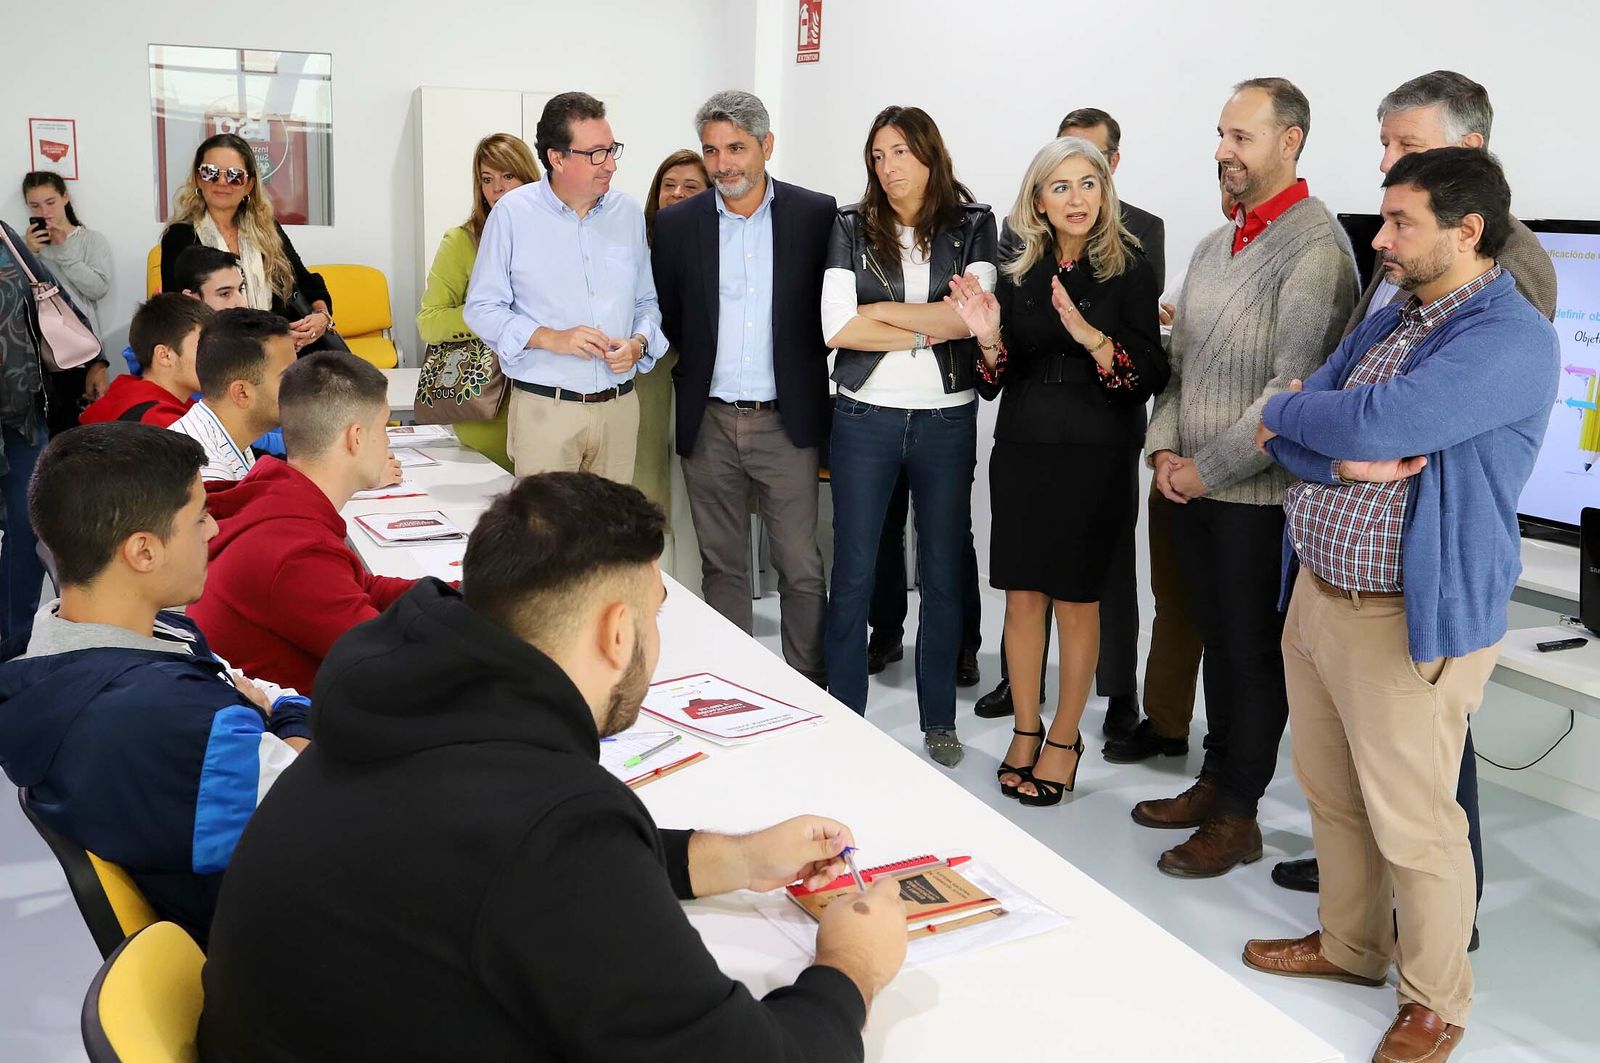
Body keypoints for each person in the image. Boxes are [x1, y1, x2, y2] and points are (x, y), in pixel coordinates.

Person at [196, 472, 908, 1061]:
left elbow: (531, 868)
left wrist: (737, 857)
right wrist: (850, 966)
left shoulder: (392, 717)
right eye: (656, 616)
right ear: (617, 631)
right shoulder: (550, 823)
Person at [1245, 147, 1557, 1063]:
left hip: (1405, 618)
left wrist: (1302, 416)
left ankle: (1436, 1001)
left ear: (1467, 232)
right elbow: (1305, 427)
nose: (1379, 240)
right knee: (1331, 797)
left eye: (1400, 223)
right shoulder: (1395, 307)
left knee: (1417, 827)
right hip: (1318, 596)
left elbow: (1375, 421)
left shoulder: (1510, 336)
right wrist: (1328, 446)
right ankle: (1349, 946)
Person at [1137, 78, 1356, 877]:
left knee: (1248, 657)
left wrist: (1207, 469)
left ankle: (1238, 817)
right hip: (1190, 489)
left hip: (1254, 502)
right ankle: (1214, 782)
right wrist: (1165, 452)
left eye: (1243, 137)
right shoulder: (1212, 245)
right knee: (1217, 649)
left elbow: (1290, 395)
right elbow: (1179, 366)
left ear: (1290, 141)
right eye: (1221, 135)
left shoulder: (1318, 251)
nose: (1224, 151)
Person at [0, 423, 309, 942]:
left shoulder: (79, 642)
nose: (212, 530)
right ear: (143, 551)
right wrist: (286, 717)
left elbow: (257, 692)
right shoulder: (171, 720)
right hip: (279, 943)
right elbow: (319, 802)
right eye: (199, 516)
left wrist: (269, 716)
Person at [949, 137, 1167, 806]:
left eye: (1089, 184)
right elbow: (994, 380)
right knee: (1021, 596)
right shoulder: (1019, 270)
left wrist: (1093, 337)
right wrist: (986, 335)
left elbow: (1146, 375)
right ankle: (1025, 726)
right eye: (1061, 186)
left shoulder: (1129, 268)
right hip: (1023, 444)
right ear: (1038, 200)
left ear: (1106, 192)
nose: (1077, 198)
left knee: (1077, 600)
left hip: (1095, 449)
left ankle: (1066, 738)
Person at [821, 106, 997, 767]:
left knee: (944, 575)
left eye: (899, 152)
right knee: (854, 573)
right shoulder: (849, 224)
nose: (887, 167)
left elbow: (972, 317)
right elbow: (838, 328)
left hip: (947, 418)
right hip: (864, 414)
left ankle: (938, 720)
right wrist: (929, 326)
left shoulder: (973, 224)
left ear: (929, 154)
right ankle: (844, 712)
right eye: (876, 155)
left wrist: (885, 312)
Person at [653, 91, 836, 685]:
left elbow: (827, 312)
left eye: (736, 147)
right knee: (723, 568)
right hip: (708, 420)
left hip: (786, 421)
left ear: (766, 146)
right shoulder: (678, 224)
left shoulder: (815, 215)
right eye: (712, 150)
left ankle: (809, 687)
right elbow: (670, 317)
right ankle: (737, 686)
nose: (723, 163)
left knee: (800, 567)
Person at [464, 92, 666, 481]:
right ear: (556, 158)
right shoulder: (512, 214)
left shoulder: (626, 213)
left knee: (612, 538)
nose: (609, 165)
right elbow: (482, 308)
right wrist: (548, 338)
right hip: (546, 411)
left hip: (619, 410)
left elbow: (646, 302)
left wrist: (638, 343)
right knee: (546, 539)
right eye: (595, 154)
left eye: (611, 150)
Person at [188, 351, 414, 692]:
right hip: (294, 733)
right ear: (355, 437)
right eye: (382, 428)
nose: (386, 442)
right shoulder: (296, 549)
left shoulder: (275, 499)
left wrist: (463, 594)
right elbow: (391, 663)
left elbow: (360, 586)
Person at [416, 132, 543, 472]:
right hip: (487, 402)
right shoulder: (462, 242)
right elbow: (429, 322)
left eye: (507, 176)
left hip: (550, 397)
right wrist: (490, 317)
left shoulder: (555, 239)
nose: (497, 188)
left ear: (529, 178)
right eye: (487, 179)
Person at [0, 220, 91, 659]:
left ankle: (14, 642)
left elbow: (49, 289)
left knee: (26, 523)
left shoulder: (3, 234)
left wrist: (96, 358)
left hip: (21, 410)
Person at [161, 132, 336, 353]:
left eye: (234, 175)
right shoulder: (179, 237)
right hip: (217, 358)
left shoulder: (266, 229)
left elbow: (305, 281)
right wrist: (265, 340)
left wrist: (321, 316)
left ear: (249, 185)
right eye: (211, 173)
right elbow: (176, 314)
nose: (222, 182)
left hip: (287, 353)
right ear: (198, 178)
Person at [637, 147, 709, 513]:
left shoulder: (718, 247)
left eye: (690, 186)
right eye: (669, 184)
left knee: (689, 483)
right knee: (646, 472)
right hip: (649, 371)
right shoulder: (637, 241)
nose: (677, 193)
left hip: (699, 374)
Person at [22, 171, 110, 424]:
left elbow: (97, 289)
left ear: (65, 197)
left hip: (83, 352)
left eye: (50, 202)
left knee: (86, 434)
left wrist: (64, 252)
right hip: (39, 358)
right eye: (35, 205)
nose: (44, 212)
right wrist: (29, 255)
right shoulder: (22, 247)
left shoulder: (91, 240)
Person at [168, 309, 297, 482]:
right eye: (287, 376)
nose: (300, 385)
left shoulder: (224, 438)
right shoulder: (208, 474)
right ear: (242, 393)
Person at [117, 248, 250, 376]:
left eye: (240, 290)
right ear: (190, 297)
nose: (242, 303)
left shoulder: (238, 339)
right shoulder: (177, 359)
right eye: (225, 294)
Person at [80, 293, 207, 426]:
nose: (216, 357)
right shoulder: (162, 422)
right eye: (204, 348)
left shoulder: (128, 393)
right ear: (164, 355)